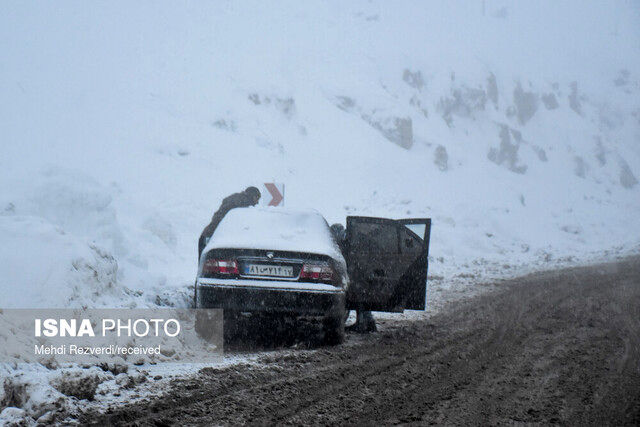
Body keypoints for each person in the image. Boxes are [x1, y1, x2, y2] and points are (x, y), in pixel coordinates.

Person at [329, 223, 377, 333]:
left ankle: (364, 323)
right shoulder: (349, 242)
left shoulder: (349, 244)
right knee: (359, 299)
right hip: (357, 276)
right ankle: (366, 323)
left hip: (359, 276)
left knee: (359, 298)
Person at [198, 186, 261, 260]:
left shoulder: (237, 200)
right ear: (252, 196)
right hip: (212, 239)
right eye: (257, 199)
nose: (257, 202)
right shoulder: (243, 203)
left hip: (207, 237)